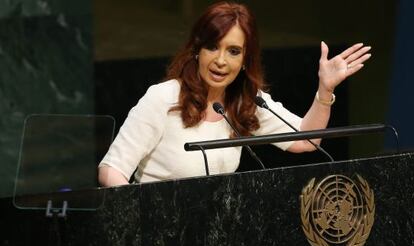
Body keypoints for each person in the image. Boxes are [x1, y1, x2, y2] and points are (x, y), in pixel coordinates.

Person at [98, 1, 371, 187]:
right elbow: (112, 169)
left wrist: (325, 90)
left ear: (244, 61)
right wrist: (139, 213)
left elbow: (305, 140)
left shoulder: (247, 101)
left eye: (233, 51)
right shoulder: (163, 98)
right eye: (213, 47)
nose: (220, 61)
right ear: (197, 49)